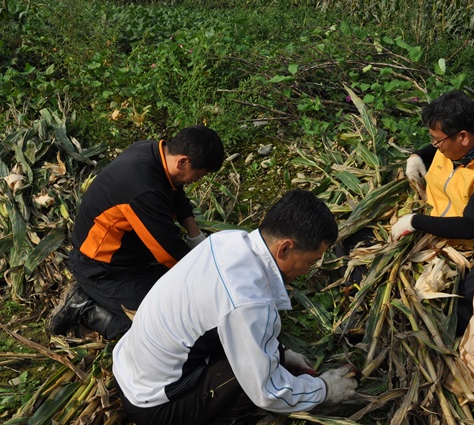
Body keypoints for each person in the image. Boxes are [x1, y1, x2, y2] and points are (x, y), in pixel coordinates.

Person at [112, 189, 359, 425]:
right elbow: (267, 390)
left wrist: (282, 353)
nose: (307, 271)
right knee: (246, 379)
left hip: (129, 370)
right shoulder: (249, 302)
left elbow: (225, 314)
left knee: (260, 352)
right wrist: (324, 390)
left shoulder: (226, 241)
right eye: (310, 262)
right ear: (285, 248)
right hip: (156, 406)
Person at [47, 125, 225, 340]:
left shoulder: (153, 152)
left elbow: (176, 194)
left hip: (133, 260)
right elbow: (168, 252)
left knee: (184, 302)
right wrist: (209, 278)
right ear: (183, 162)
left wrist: (196, 238)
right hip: (100, 268)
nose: (197, 181)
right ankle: (84, 307)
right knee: (162, 329)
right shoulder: (143, 188)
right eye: (199, 175)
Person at [391, 90, 474, 336]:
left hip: (466, 249)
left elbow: (468, 227)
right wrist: (417, 156)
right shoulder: (453, 148)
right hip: (430, 231)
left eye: (437, 140)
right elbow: (435, 148)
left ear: (462, 137)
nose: (435, 147)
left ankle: (445, 327)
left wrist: (415, 221)